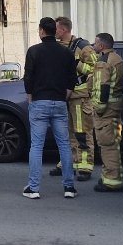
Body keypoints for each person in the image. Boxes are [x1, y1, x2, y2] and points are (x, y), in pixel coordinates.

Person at [22, 17, 79, 199]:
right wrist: (67, 94)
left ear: (41, 31)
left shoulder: (34, 51)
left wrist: (30, 96)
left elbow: (28, 77)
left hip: (39, 102)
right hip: (60, 102)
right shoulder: (66, 52)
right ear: (55, 31)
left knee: (37, 145)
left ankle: (34, 188)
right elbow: (72, 78)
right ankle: (69, 187)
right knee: (64, 144)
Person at [49, 17, 96, 182]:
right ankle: (67, 163)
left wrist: (76, 63)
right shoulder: (58, 47)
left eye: (56, 29)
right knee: (65, 133)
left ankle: (85, 166)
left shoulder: (83, 47)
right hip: (64, 97)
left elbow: (96, 69)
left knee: (82, 133)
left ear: (63, 29)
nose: (54, 32)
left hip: (80, 98)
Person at [88, 32, 123, 192]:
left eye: (95, 43)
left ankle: (111, 180)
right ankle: (113, 175)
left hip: (106, 109)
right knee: (113, 143)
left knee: (107, 144)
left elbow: (103, 86)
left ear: (102, 46)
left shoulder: (103, 62)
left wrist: (100, 107)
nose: (93, 45)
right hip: (115, 106)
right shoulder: (117, 59)